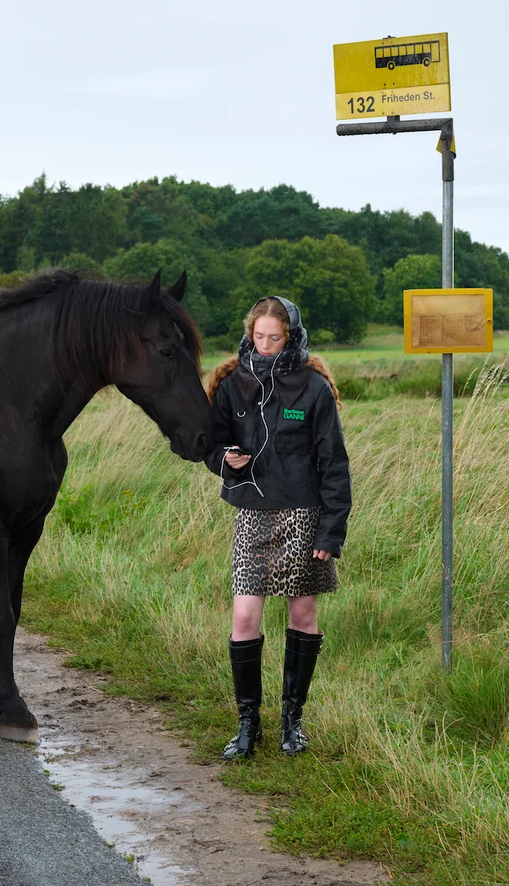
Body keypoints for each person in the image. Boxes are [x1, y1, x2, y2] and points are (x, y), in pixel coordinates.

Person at [204, 296, 351, 759]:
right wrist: (225, 460)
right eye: (258, 337)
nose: (265, 346)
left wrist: (331, 532)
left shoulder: (313, 388)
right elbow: (211, 444)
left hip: (303, 516)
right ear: (249, 334)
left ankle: (293, 722)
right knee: (245, 618)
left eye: (275, 338)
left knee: (302, 617)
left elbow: (334, 465)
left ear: (292, 336)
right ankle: (248, 726)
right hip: (252, 515)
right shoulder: (231, 384)